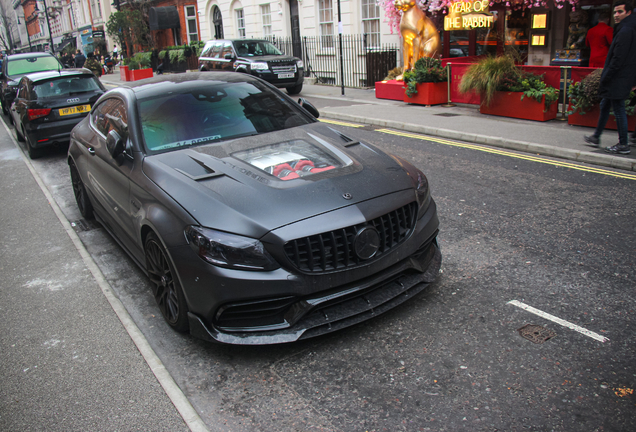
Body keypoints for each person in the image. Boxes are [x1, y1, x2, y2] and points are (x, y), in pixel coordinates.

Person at [583, 0, 636, 155]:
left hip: (618, 76)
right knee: (605, 104)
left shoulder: (626, 30)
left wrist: (607, 76)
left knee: (618, 109)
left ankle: (623, 144)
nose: (616, 15)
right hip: (619, 74)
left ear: (629, 12)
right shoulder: (626, 28)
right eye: (614, 12)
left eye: (620, 12)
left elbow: (618, 58)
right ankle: (596, 136)